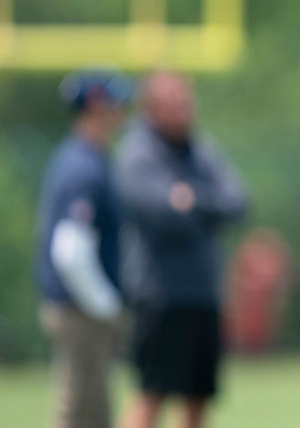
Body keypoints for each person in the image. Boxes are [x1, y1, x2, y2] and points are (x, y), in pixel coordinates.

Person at [115, 71, 248, 428]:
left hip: (202, 294)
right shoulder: (137, 152)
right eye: (175, 105)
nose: (185, 112)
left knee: (197, 397)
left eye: (187, 104)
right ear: (152, 109)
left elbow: (236, 201)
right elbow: (163, 213)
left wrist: (190, 198)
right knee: (151, 393)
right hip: (159, 296)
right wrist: (201, 205)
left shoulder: (200, 149)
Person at [35, 70, 133, 428]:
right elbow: (71, 249)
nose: (124, 110)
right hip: (81, 310)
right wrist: (105, 304)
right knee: (79, 411)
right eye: (117, 102)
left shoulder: (87, 159)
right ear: (95, 105)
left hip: (81, 306)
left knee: (94, 411)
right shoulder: (82, 166)